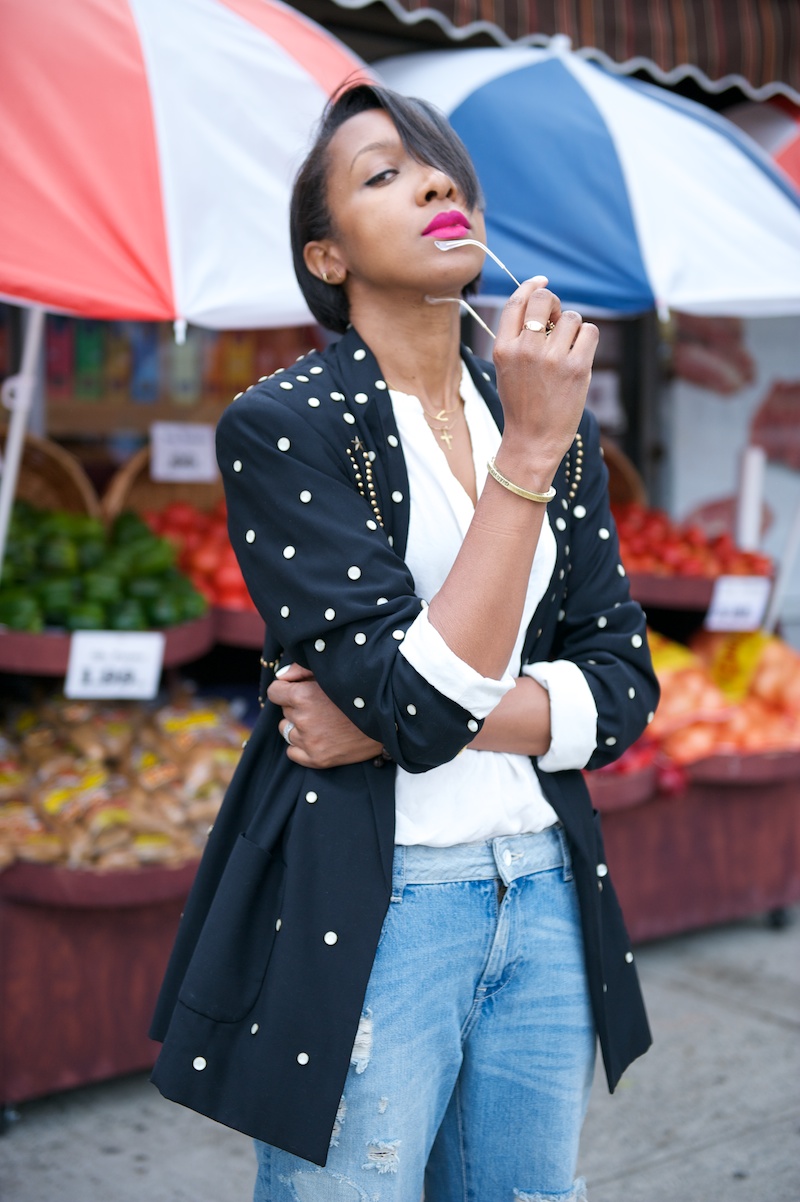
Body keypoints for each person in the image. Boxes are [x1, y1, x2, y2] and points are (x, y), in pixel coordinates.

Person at [149, 82, 660, 1202]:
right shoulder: (285, 424)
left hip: (542, 886)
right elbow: (421, 709)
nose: (434, 182)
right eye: (384, 173)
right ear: (326, 258)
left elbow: (619, 687)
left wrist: (383, 719)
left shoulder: (545, 414)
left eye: (441, 168)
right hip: (379, 903)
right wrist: (527, 448)